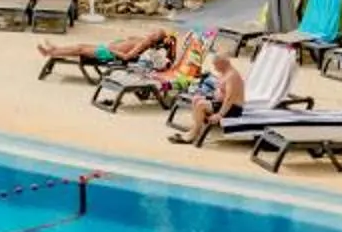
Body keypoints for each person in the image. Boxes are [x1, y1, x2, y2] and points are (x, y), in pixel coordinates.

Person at [35, 28, 175, 79]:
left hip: (109, 54)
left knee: (79, 49)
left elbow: (127, 56)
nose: (152, 30)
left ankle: (50, 52)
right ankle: (55, 49)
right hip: (108, 49)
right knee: (81, 47)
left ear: (154, 38)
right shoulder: (145, 40)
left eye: (155, 32)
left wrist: (112, 50)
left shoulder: (144, 43)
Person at [182, 51, 248, 146]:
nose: (214, 68)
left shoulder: (232, 76)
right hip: (221, 103)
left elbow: (230, 98)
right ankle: (195, 128)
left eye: (215, 65)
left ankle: (194, 134)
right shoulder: (224, 73)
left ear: (222, 63)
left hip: (233, 108)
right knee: (196, 99)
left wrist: (220, 115)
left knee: (201, 105)